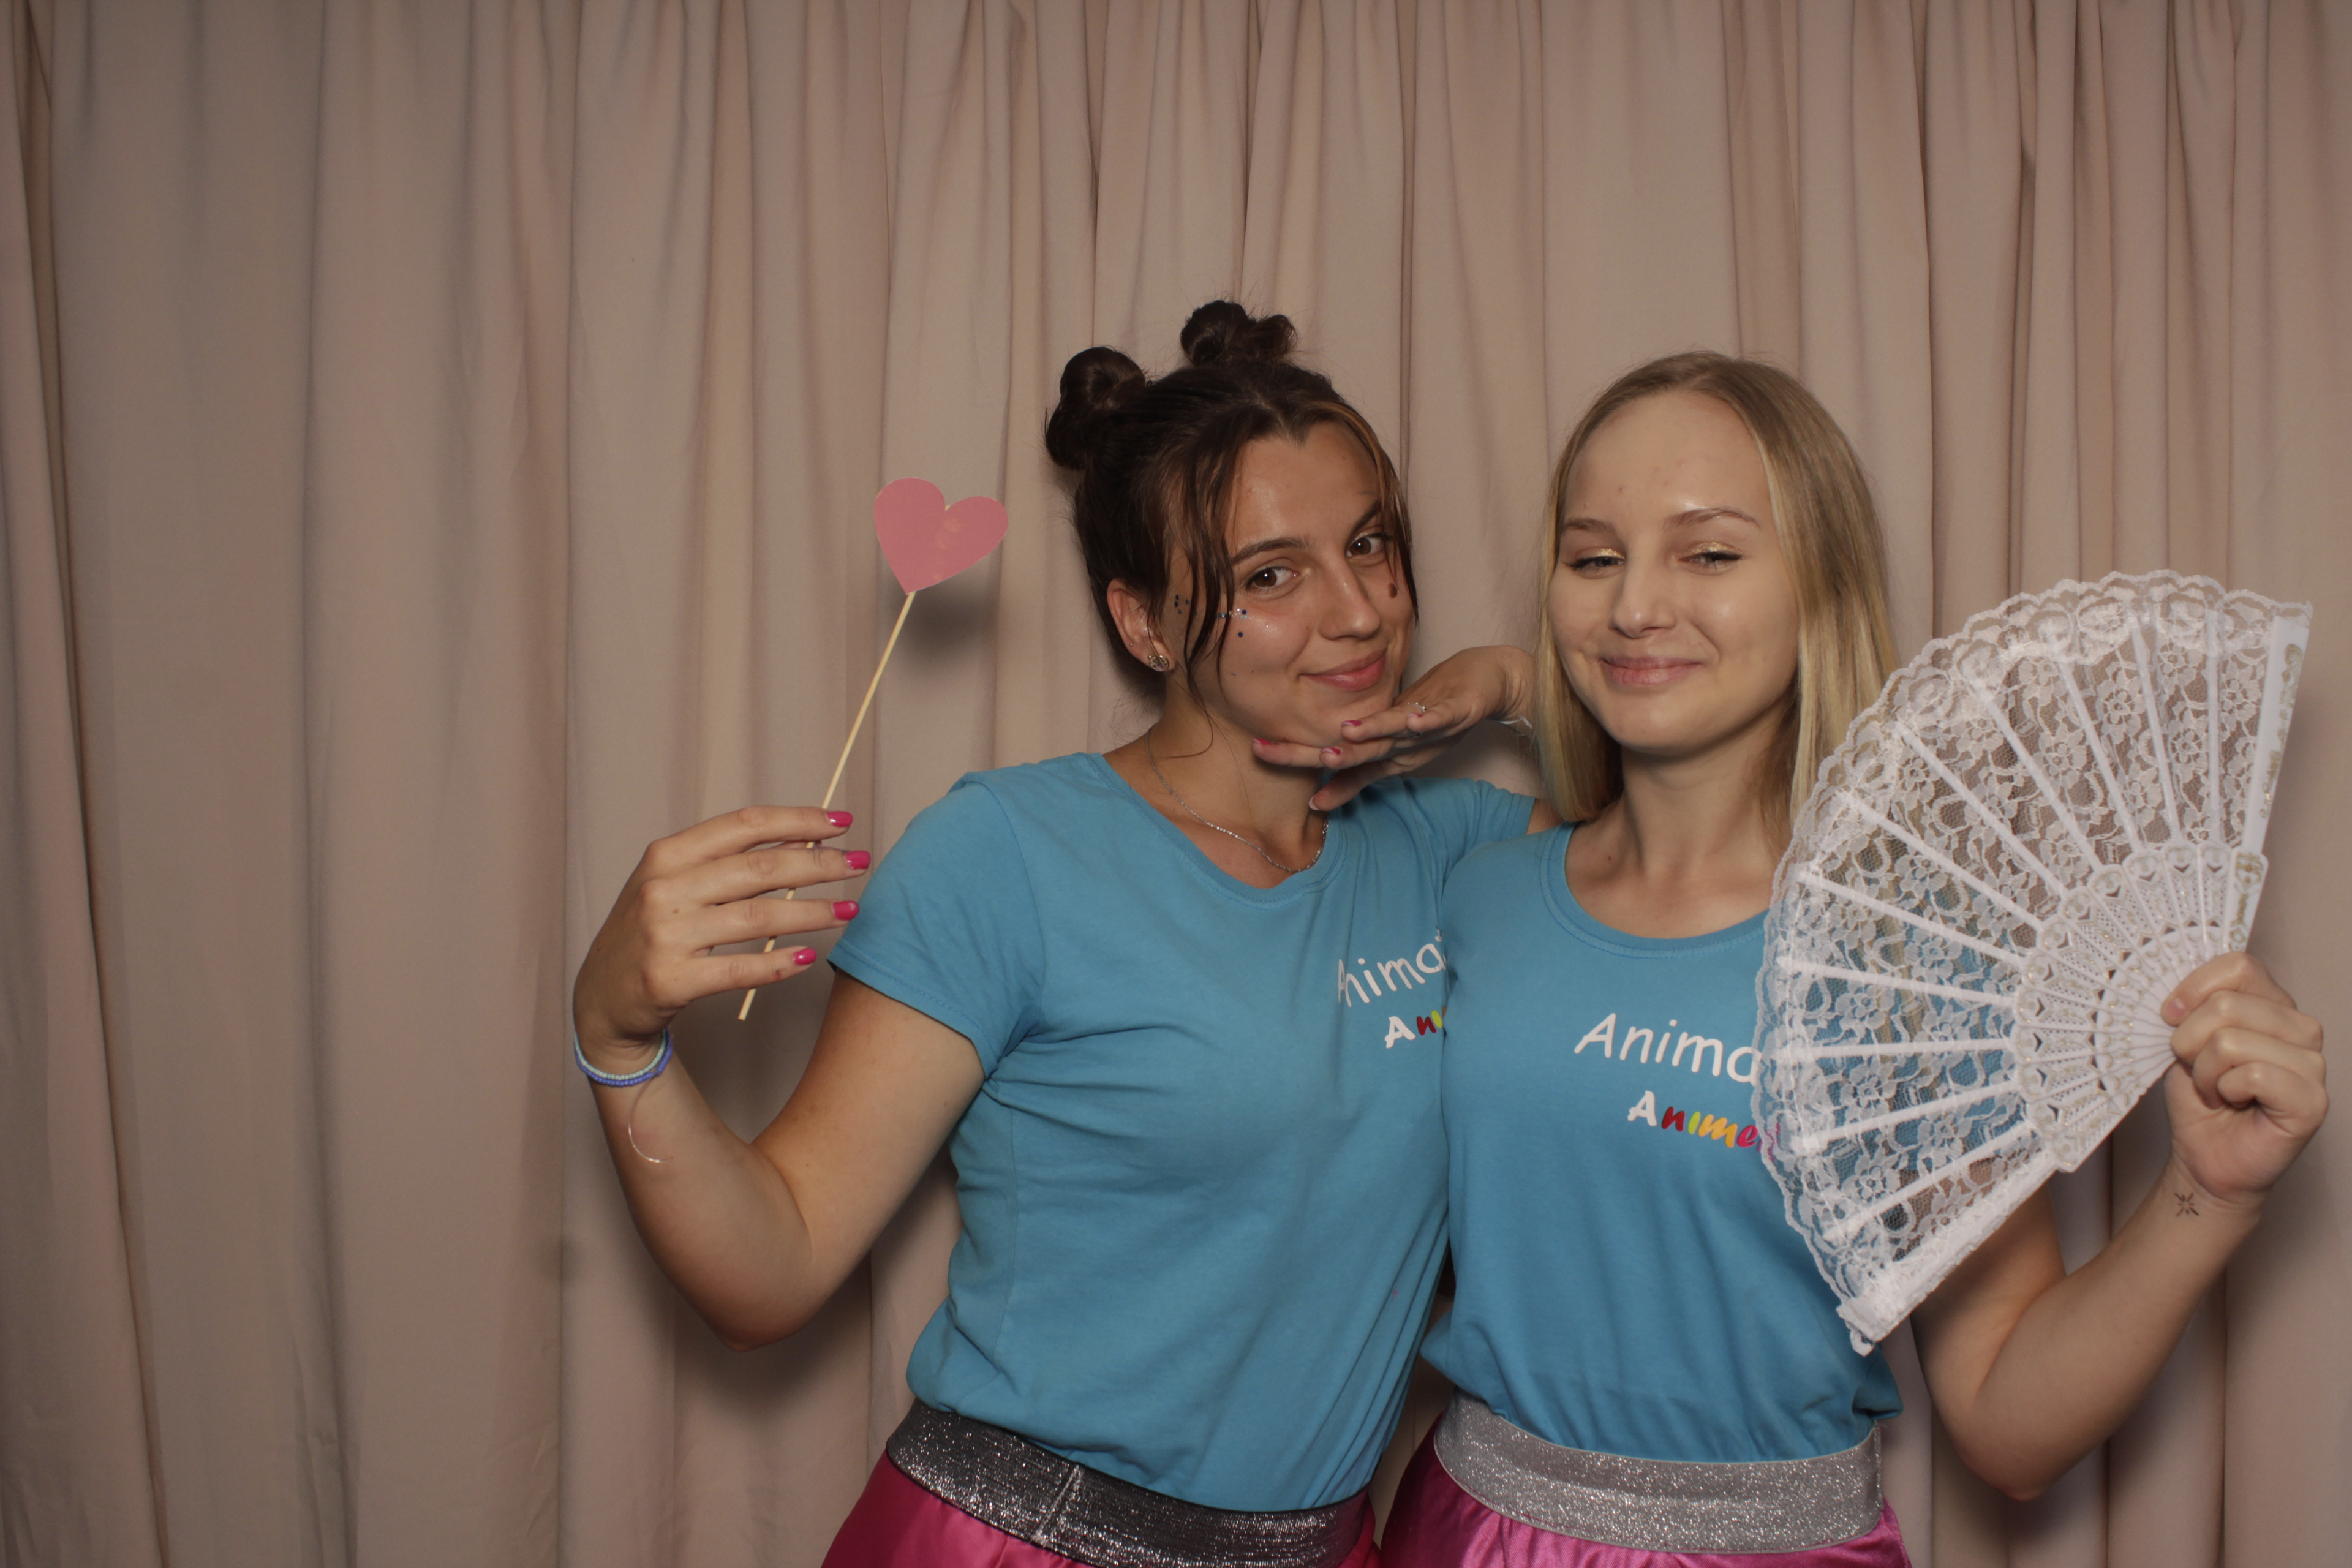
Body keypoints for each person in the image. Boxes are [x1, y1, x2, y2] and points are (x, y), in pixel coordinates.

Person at [569, 301, 1550, 1568]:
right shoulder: (1008, 854)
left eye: (1370, 544)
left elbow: (1730, 840)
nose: (1359, 610)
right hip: (1019, 1544)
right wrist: (617, 1040)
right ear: (1144, 623)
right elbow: (775, 1264)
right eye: (1271, 574)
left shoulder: (1455, 847)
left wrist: (1519, 683)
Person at [1369, 353, 2328, 1566]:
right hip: (1462, 1536)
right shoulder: (1480, 894)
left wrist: (2211, 1199)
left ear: (1818, 584)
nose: (1636, 605)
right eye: (1594, 556)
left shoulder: (1909, 971)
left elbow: (2006, 1422)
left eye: (1710, 554)